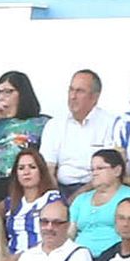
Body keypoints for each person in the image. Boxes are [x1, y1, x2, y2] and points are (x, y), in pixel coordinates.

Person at [38, 70, 116, 199]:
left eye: (80, 91)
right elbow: (48, 169)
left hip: (97, 188)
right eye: (71, 90)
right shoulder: (54, 125)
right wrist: (57, 197)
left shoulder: (110, 123)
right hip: (60, 189)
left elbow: (109, 171)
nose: (72, 96)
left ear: (95, 97)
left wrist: (78, 195)